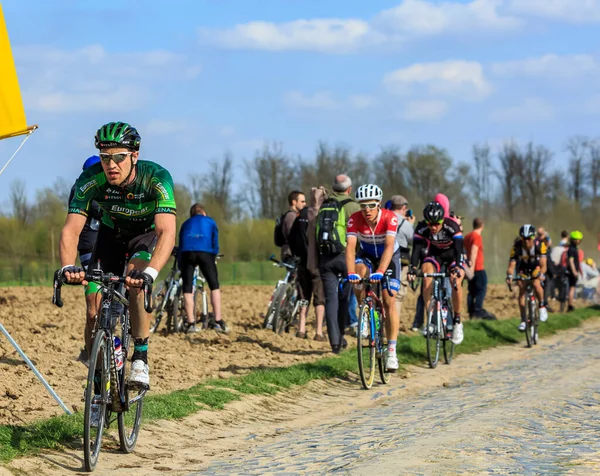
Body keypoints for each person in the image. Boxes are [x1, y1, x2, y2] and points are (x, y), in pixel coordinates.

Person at [60, 121, 177, 391]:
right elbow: (71, 229)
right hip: (110, 236)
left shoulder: (156, 178)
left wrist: (150, 273)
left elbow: (167, 232)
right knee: (93, 307)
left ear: (134, 156)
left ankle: (140, 356)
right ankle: (97, 374)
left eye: (119, 157)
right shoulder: (90, 180)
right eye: (105, 157)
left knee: (135, 283)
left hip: (144, 236)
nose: (111, 165)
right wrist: (67, 265)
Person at [346, 184, 401, 371]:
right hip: (367, 255)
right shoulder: (354, 219)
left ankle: (392, 351)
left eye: (370, 205)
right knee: (359, 272)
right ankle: (364, 312)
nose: (366, 210)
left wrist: (381, 271)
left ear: (378, 203)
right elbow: (351, 247)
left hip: (389, 257)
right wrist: (350, 273)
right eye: (362, 206)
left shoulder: (389, 218)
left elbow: (388, 246)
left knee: (388, 300)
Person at [408, 201, 465, 345]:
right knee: (426, 275)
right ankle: (431, 319)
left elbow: (459, 251)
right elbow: (416, 251)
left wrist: (458, 268)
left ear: (442, 220)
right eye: (430, 224)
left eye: (437, 224)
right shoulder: (421, 228)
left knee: (456, 281)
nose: (433, 227)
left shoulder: (452, 226)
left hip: (453, 255)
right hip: (435, 255)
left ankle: (457, 321)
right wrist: (413, 268)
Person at [317, 174, 360, 354]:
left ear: (334, 188)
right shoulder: (353, 206)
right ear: (349, 189)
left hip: (325, 258)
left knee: (330, 299)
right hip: (345, 256)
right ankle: (341, 335)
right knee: (345, 297)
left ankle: (335, 342)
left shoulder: (324, 206)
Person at [69, 155, 102, 365]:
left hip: (116, 248)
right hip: (90, 249)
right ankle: (91, 354)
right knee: (94, 308)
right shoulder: (80, 189)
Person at [178, 203, 226, 334]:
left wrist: (180, 264)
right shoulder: (210, 222)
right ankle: (218, 321)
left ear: (192, 214)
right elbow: (214, 242)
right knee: (214, 286)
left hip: (187, 253)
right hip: (206, 253)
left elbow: (181, 244)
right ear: (203, 213)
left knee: (187, 288)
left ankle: (190, 323)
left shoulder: (186, 223)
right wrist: (213, 255)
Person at [288, 187, 326, 340]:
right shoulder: (324, 214)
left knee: (304, 295)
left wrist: (298, 255)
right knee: (319, 297)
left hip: (302, 262)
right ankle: (318, 331)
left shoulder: (302, 215)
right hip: (318, 263)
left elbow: (292, 237)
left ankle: (301, 329)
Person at [505, 224, 548, 331]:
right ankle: (523, 320)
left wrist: (541, 274)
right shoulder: (516, 247)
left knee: (535, 283)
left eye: (529, 238)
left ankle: (542, 306)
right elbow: (511, 265)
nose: (526, 241)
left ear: (533, 237)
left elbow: (544, 265)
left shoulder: (540, 245)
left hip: (536, 267)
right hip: (523, 268)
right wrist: (509, 276)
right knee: (522, 288)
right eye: (524, 239)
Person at [389, 195, 415, 327]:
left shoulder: (384, 218)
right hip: (401, 261)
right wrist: (411, 224)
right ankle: (394, 327)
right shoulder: (405, 224)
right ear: (404, 208)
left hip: (383, 259)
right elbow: (413, 240)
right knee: (398, 294)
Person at [464, 217, 493, 320]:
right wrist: (472, 267)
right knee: (482, 288)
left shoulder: (467, 236)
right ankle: (478, 310)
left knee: (471, 290)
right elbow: (474, 251)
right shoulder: (477, 237)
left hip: (469, 268)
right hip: (478, 268)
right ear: (482, 226)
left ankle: (471, 311)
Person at [280, 190, 306, 260]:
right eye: (302, 201)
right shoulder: (291, 216)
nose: (305, 204)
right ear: (294, 202)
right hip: (291, 254)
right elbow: (293, 235)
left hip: (292, 252)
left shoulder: (295, 215)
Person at [565, 230, 584, 311]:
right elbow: (571, 261)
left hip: (574, 270)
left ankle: (570, 305)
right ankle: (570, 306)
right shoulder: (572, 249)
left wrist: (580, 270)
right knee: (572, 288)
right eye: (576, 239)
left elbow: (577, 261)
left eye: (579, 239)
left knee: (572, 288)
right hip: (572, 272)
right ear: (572, 240)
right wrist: (574, 271)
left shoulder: (574, 248)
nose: (578, 241)